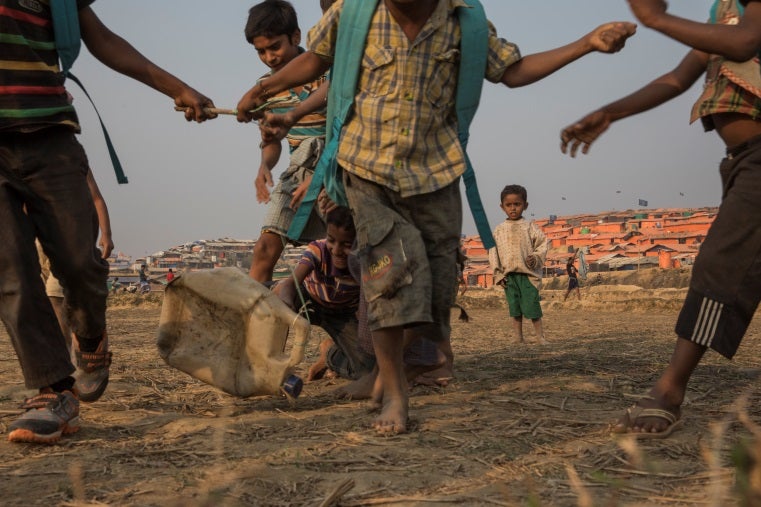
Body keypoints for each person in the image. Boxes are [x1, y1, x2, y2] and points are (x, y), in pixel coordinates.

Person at [237, 0, 635, 434]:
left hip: (437, 175)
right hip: (368, 171)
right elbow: (317, 59)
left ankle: (390, 373)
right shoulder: (354, 13)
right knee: (385, 280)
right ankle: (394, 392)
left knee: (435, 296)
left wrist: (585, 44)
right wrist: (264, 91)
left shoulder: (465, 20)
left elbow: (513, 70)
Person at [1, 0, 215, 444]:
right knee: (12, 274)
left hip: (50, 138)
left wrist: (176, 87)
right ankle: (53, 392)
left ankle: (91, 337)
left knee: (79, 262)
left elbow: (101, 39)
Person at [561, 0, 761, 437]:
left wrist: (654, 18)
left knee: (719, 267)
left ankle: (670, 389)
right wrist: (611, 112)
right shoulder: (724, 13)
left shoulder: (746, 20)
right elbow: (676, 78)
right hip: (743, 160)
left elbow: (747, 42)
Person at [244, 0, 330, 284]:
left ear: (295, 37)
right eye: (261, 51)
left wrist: (319, 180)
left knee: (346, 252)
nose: (269, 57)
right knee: (264, 249)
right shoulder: (265, 88)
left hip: (336, 166)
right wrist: (263, 167)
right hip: (297, 172)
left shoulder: (328, 71)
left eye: (275, 47)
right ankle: (256, 324)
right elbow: (271, 140)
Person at [274, 206, 375, 381]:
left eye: (346, 244)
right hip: (309, 301)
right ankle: (271, 365)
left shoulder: (365, 262)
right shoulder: (318, 250)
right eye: (331, 240)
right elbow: (291, 283)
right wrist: (286, 302)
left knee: (366, 371)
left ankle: (330, 354)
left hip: (342, 314)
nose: (336, 250)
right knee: (275, 293)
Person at [36, 168, 113, 347]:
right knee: (47, 301)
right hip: (38, 242)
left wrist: (106, 234)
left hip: (68, 241)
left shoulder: (70, 158)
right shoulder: (26, 159)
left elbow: (96, 198)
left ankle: (66, 355)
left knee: (56, 296)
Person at [488, 185, 548, 344]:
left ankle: (540, 337)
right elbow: (493, 253)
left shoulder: (530, 226)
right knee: (514, 309)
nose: (513, 208)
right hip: (508, 276)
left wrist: (535, 258)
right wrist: (498, 274)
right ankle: (518, 338)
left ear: (525, 205)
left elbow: (542, 244)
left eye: (517, 204)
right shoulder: (499, 230)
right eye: (509, 205)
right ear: (502, 207)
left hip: (528, 275)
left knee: (532, 306)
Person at [627, 0, 761, 63]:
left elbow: (745, 42)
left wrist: (655, 18)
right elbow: (680, 77)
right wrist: (609, 114)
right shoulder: (721, 10)